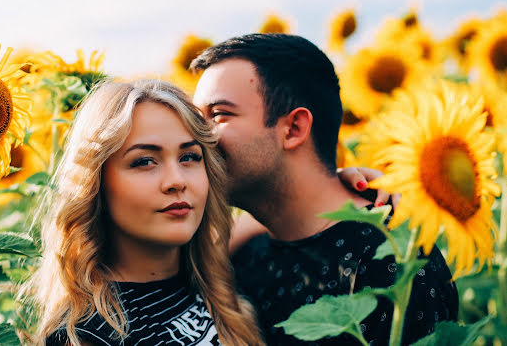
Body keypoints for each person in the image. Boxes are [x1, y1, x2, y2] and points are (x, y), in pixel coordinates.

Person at [190, 33, 458, 345]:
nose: (198, 137)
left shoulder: (392, 264)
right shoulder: (244, 256)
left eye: (219, 115)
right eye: (198, 120)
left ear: (294, 129)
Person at [23, 79, 264, 345]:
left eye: (189, 157)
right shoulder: (90, 335)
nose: (176, 180)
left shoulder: (211, 281)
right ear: (95, 183)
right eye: (144, 161)